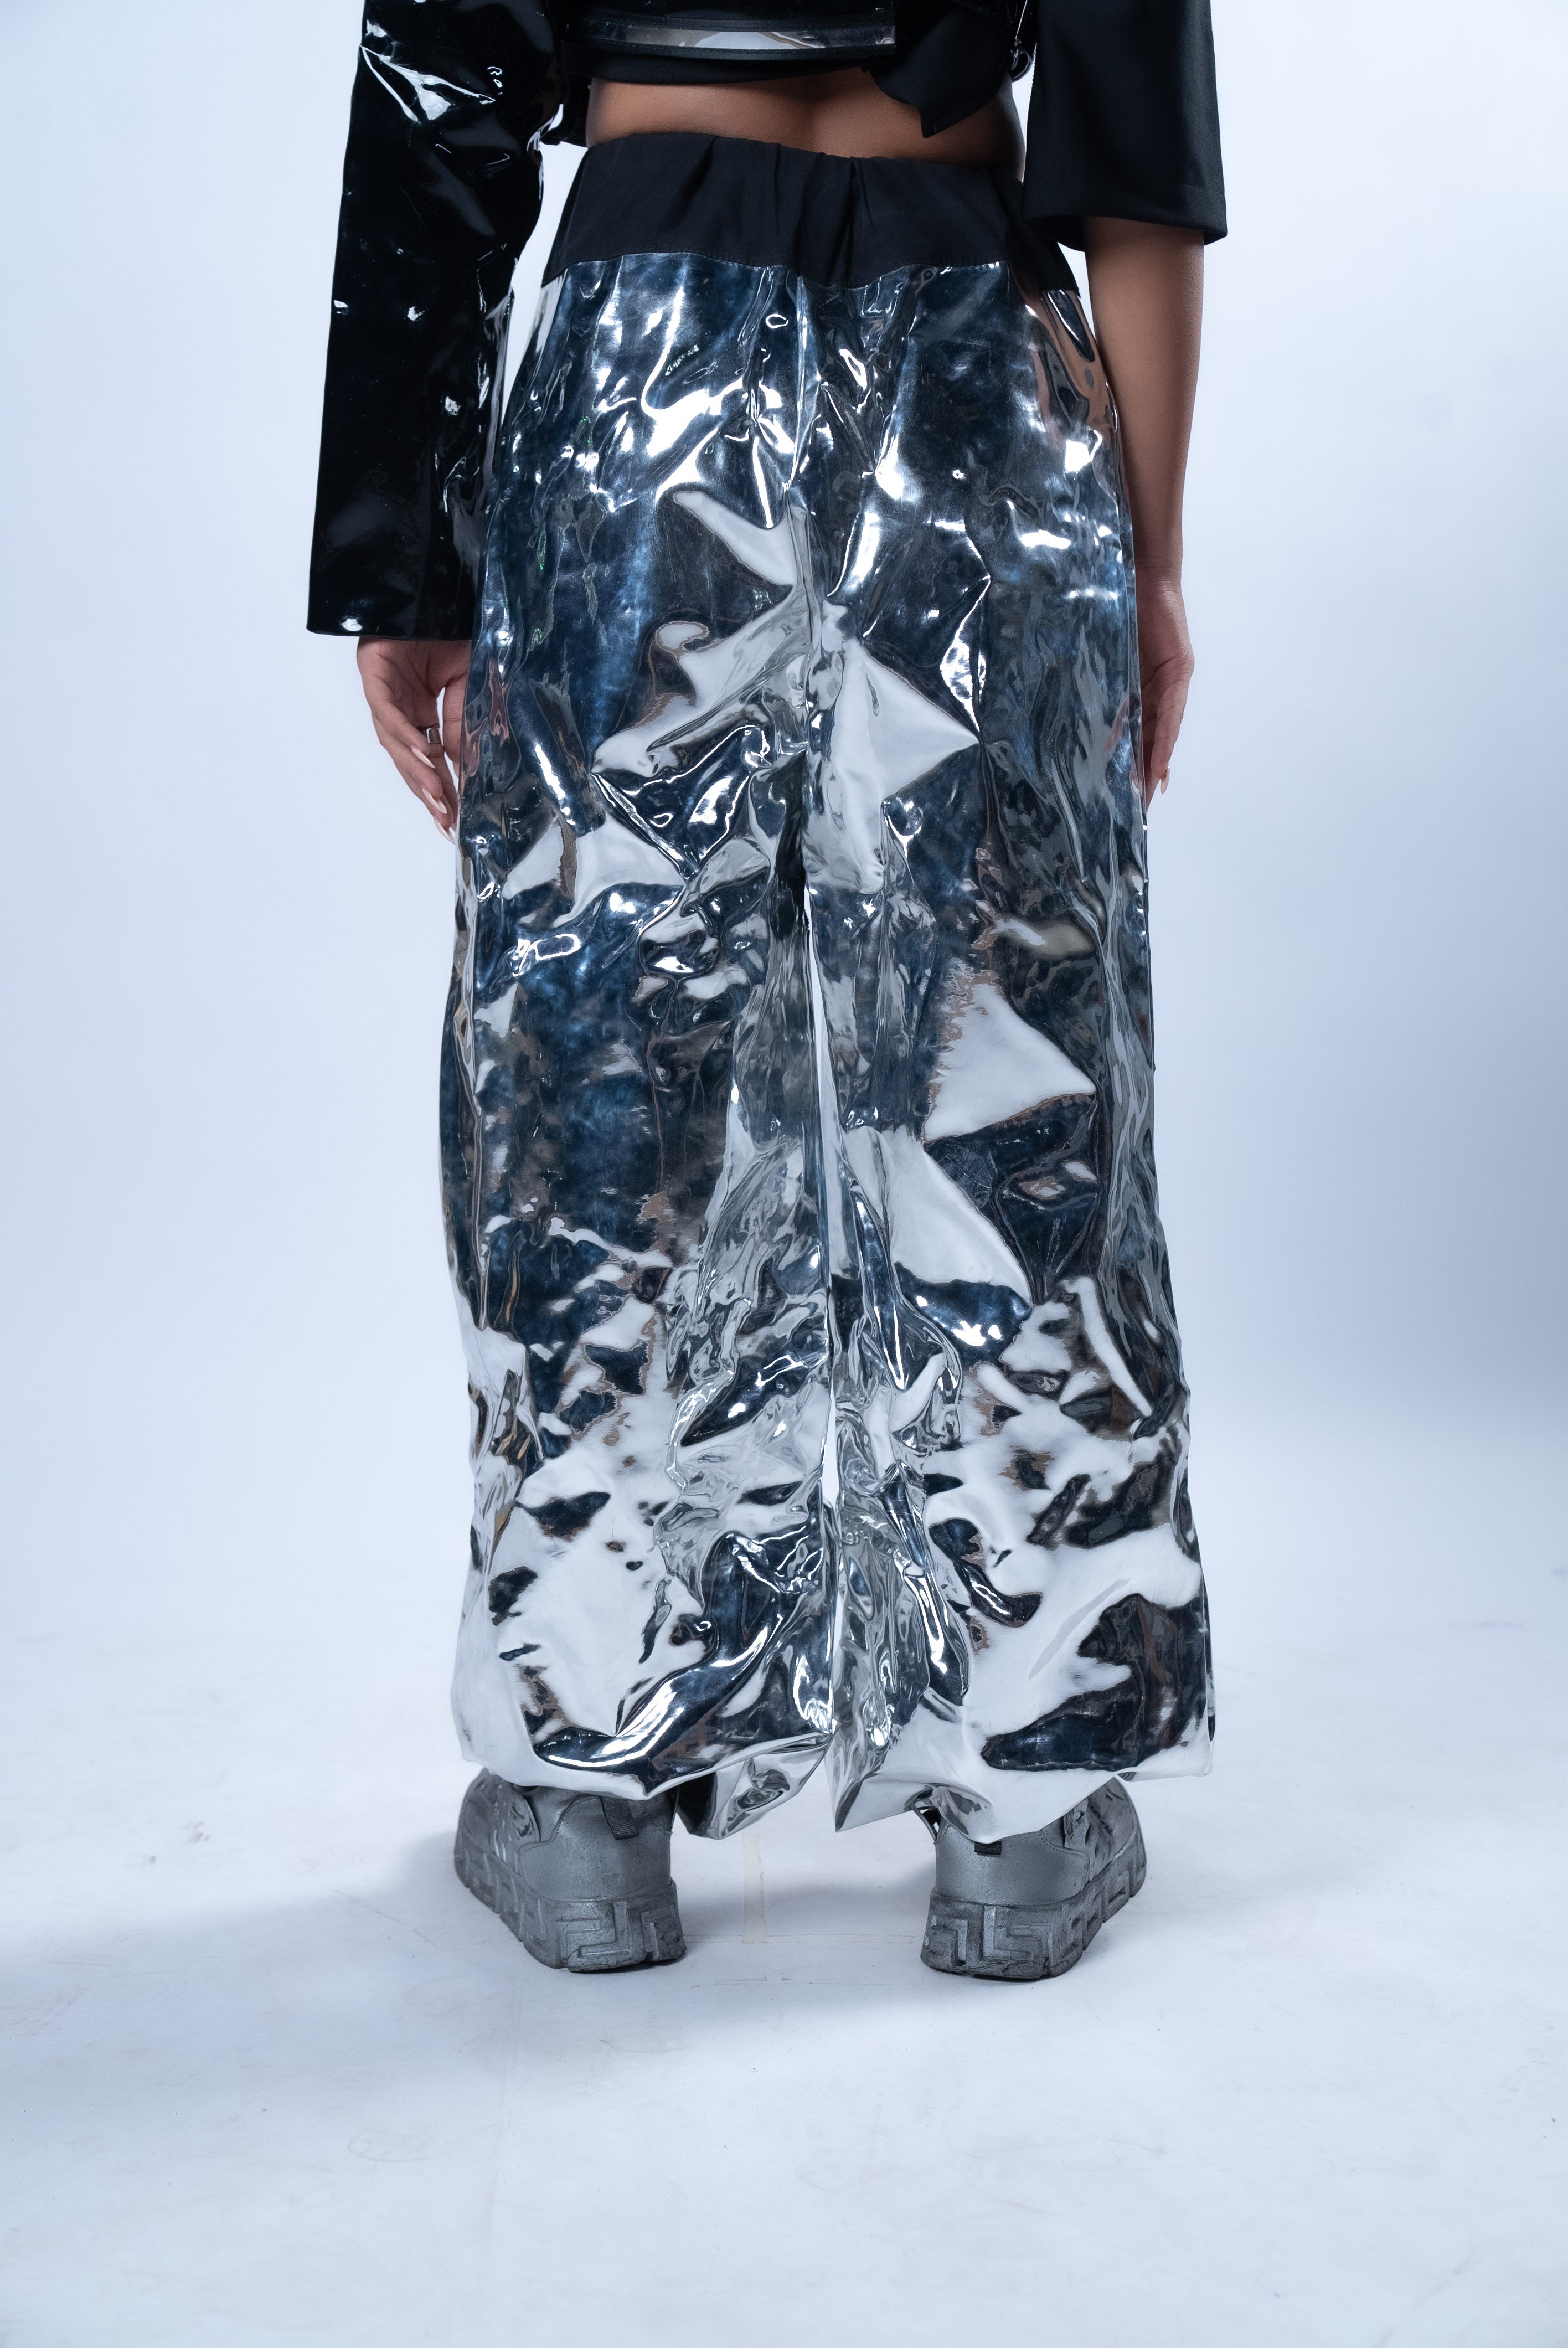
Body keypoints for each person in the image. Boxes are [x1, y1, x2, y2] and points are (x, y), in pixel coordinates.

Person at [309, 0, 1224, 1981]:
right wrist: (1146, 557)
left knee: (602, 1066)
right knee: (1001, 1056)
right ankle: (1028, 1788)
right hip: (973, 359)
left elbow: (442, 111)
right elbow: (1135, 161)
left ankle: (584, 1780)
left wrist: (409, 558)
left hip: (645, 356)